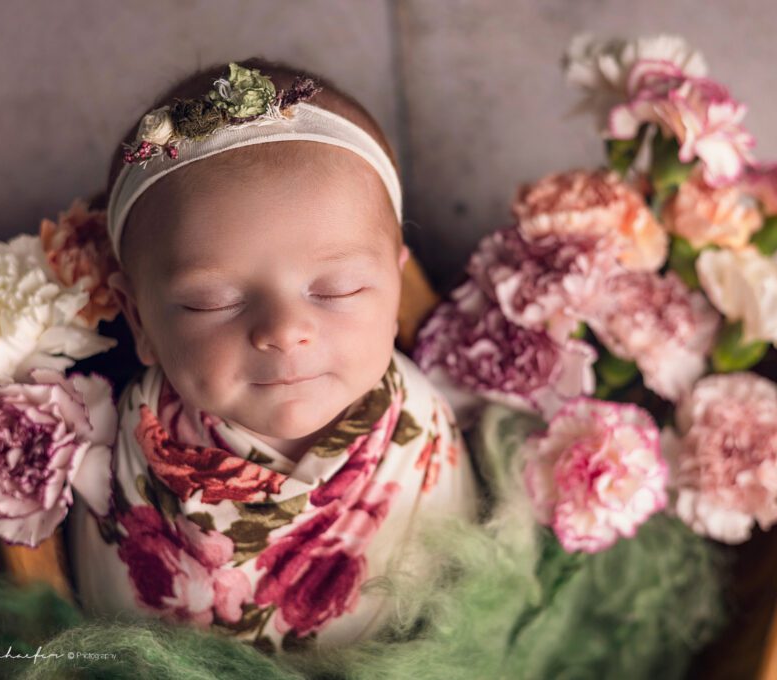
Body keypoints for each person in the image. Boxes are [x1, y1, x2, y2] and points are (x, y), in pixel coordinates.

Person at [68, 58, 479, 651]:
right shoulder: (119, 454)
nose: (285, 330)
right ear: (141, 321)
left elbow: (461, 605)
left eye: (337, 289)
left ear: (394, 287)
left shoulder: (423, 429)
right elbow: (124, 641)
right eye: (212, 302)